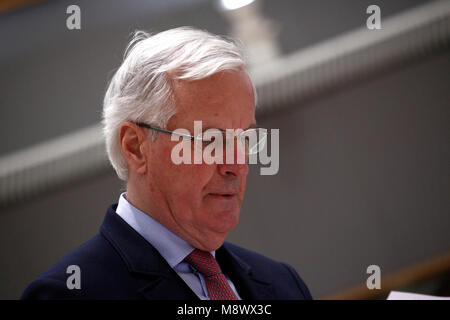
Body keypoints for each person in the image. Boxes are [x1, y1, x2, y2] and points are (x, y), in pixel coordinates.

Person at [21, 27, 312, 300]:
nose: (237, 164)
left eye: (245, 138)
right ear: (136, 147)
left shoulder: (283, 284)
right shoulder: (68, 294)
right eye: (211, 140)